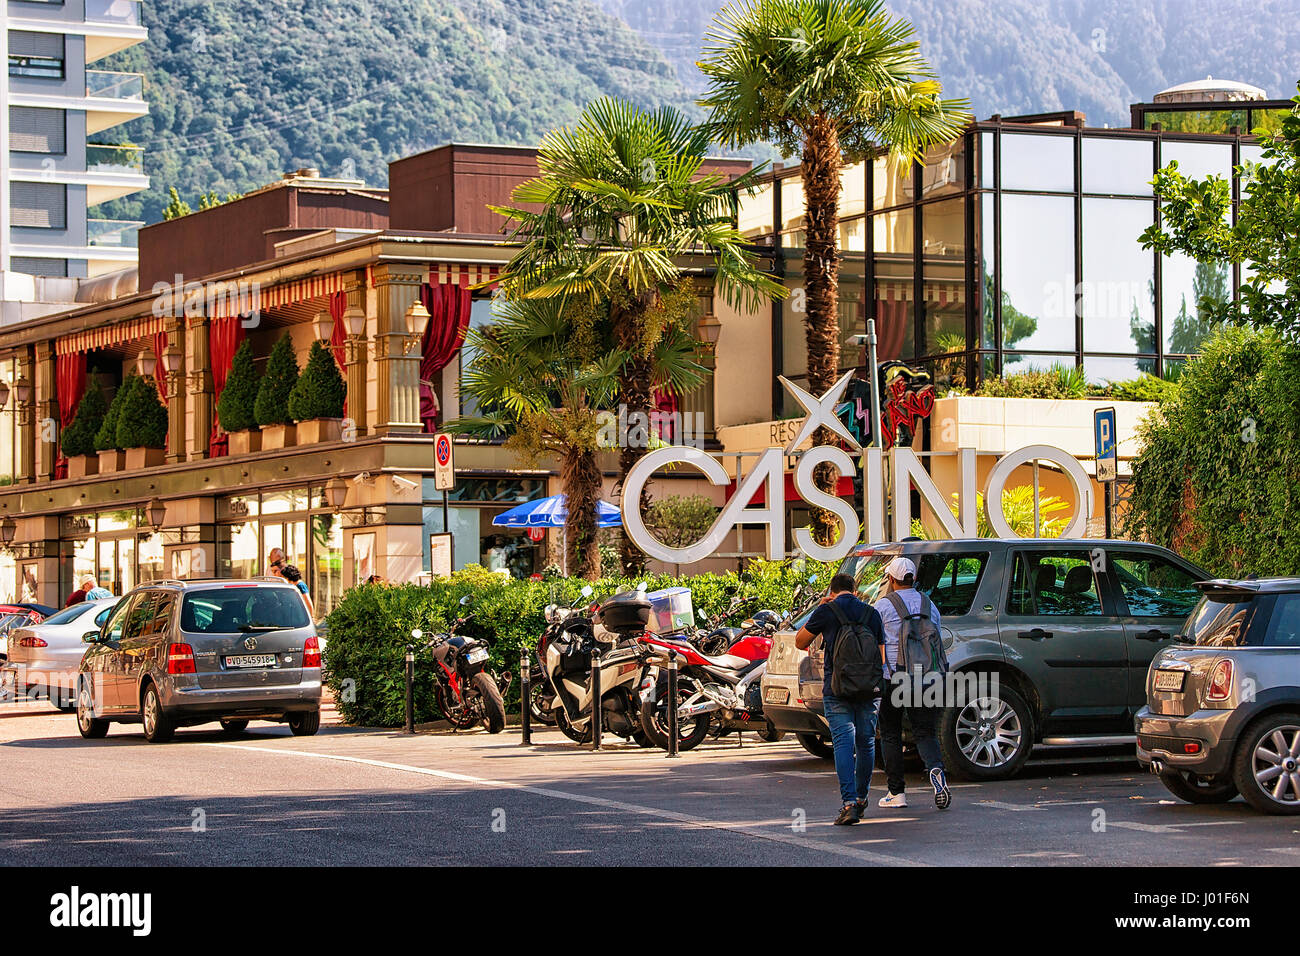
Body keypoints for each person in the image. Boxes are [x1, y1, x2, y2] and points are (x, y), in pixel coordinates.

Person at [795, 572, 886, 826]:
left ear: (831, 591)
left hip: (836, 689)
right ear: (855, 592)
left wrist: (821, 608)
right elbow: (881, 658)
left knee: (843, 743)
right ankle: (860, 799)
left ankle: (848, 804)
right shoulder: (872, 613)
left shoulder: (828, 610)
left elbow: (800, 642)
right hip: (869, 690)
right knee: (866, 742)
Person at [874, 556, 951, 811]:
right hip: (926, 678)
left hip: (893, 678)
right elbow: (938, 638)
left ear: (891, 579)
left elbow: (875, 641)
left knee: (891, 734)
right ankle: (937, 773)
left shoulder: (883, 606)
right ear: (913, 579)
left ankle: (897, 793)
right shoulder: (929, 605)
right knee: (925, 732)